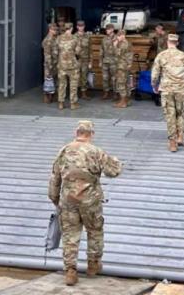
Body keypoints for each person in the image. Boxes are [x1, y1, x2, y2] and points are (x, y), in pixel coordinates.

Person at [48, 120, 122, 286]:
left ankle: (70, 271)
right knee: (94, 231)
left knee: (70, 235)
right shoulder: (96, 152)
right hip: (91, 201)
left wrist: (54, 197)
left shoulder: (64, 151)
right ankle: (93, 265)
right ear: (91, 134)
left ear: (77, 132)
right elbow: (113, 171)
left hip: (68, 200)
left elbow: (55, 177)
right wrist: (117, 161)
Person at [150, 33, 184, 152]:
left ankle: (172, 143)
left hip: (166, 90)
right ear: (177, 43)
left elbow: (155, 74)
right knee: (180, 113)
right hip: (181, 89)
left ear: (167, 42)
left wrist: (154, 85)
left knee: (170, 115)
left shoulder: (161, 55)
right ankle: (180, 136)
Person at [55, 23, 81, 110]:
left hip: (62, 65)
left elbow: (55, 52)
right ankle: (73, 104)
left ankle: (61, 103)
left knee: (62, 85)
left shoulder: (58, 38)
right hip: (72, 66)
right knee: (73, 85)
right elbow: (78, 52)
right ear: (71, 28)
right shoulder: (75, 38)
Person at [112, 30, 133, 108]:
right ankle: (126, 100)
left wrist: (115, 46)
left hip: (122, 66)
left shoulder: (124, 44)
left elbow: (118, 53)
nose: (117, 37)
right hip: (124, 66)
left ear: (123, 36)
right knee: (125, 83)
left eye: (118, 36)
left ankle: (123, 102)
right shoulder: (127, 43)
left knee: (121, 83)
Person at [41, 23, 59, 104]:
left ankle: (53, 96)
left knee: (54, 80)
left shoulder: (56, 38)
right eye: (54, 30)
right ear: (50, 30)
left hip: (56, 63)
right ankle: (46, 97)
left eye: (56, 30)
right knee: (48, 80)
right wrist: (49, 65)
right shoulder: (47, 40)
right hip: (49, 64)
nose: (55, 31)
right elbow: (47, 55)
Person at [75, 20, 92, 100]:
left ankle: (83, 94)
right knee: (75, 77)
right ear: (77, 27)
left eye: (82, 26)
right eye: (79, 26)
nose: (81, 27)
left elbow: (90, 49)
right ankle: (74, 94)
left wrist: (90, 61)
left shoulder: (87, 36)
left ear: (84, 26)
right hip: (76, 60)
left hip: (85, 60)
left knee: (84, 77)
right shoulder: (74, 36)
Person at [100, 24, 117, 100]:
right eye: (106, 29)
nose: (107, 30)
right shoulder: (104, 39)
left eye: (108, 29)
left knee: (114, 78)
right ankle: (106, 93)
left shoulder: (117, 38)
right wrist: (100, 61)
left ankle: (115, 93)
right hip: (105, 61)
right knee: (105, 78)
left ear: (112, 29)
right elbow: (101, 50)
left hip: (114, 61)